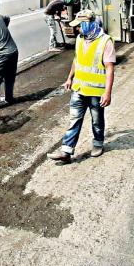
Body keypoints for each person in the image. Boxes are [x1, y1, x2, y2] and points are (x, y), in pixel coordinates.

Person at [47, 11, 116, 164]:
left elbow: (110, 68)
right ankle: (66, 151)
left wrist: (107, 93)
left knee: (97, 121)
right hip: (79, 89)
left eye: (79, 26)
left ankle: (98, 143)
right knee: (74, 119)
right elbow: (77, 60)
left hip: (96, 92)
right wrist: (69, 77)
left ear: (88, 24)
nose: (77, 29)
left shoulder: (106, 42)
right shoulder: (80, 39)